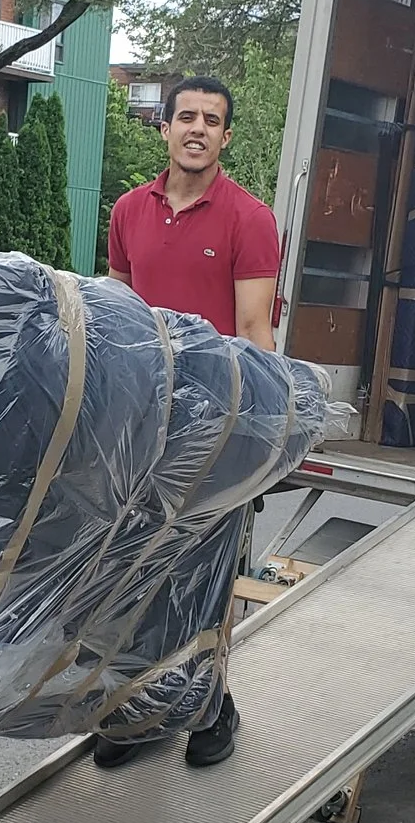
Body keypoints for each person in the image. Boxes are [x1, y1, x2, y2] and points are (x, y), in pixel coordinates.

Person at [97, 74, 283, 771]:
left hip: (216, 431)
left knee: (204, 580)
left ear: (226, 135)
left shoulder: (249, 218)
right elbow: (113, 317)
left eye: (212, 119)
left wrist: (257, 445)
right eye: (186, 117)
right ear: (165, 128)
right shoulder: (128, 210)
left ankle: (212, 709)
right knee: (132, 580)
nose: (198, 128)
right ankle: (143, 713)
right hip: (142, 430)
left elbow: (255, 333)